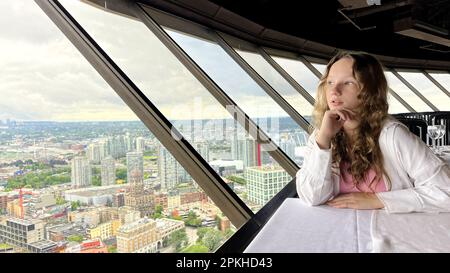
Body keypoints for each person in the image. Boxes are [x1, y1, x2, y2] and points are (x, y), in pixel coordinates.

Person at [296, 51, 450, 213]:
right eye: (330, 82)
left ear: (369, 90)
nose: (334, 91)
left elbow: (446, 191)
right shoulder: (322, 135)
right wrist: (324, 140)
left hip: (393, 231)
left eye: (348, 82)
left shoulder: (393, 135)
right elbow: (312, 197)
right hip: (339, 231)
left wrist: (378, 200)